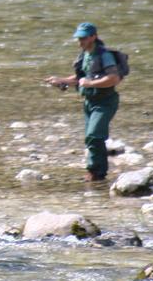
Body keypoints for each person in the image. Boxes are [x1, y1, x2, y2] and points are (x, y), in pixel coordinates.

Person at [45, 22, 121, 181]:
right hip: (89, 101)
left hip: (105, 101)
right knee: (91, 137)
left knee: (94, 135)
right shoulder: (84, 55)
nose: (80, 41)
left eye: (84, 38)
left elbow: (113, 78)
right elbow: (80, 78)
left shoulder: (104, 55)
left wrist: (90, 84)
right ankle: (97, 172)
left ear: (94, 36)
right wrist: (61, 80)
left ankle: (96, 172)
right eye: (79, 38)